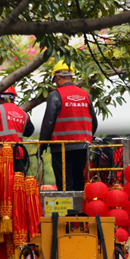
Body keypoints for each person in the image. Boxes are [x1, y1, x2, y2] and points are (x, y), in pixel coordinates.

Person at [39, 62, 98, 191]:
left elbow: (48, 122)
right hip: (82, 146)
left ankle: (68, 210)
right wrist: (87, 138)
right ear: (71, 77)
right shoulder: (85, 95)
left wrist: (42, 145)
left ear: (58, 78)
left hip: (62, 147)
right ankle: (79, 209)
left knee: (64, 183)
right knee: (79, 179)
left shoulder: (55, 95)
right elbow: (94, 122)